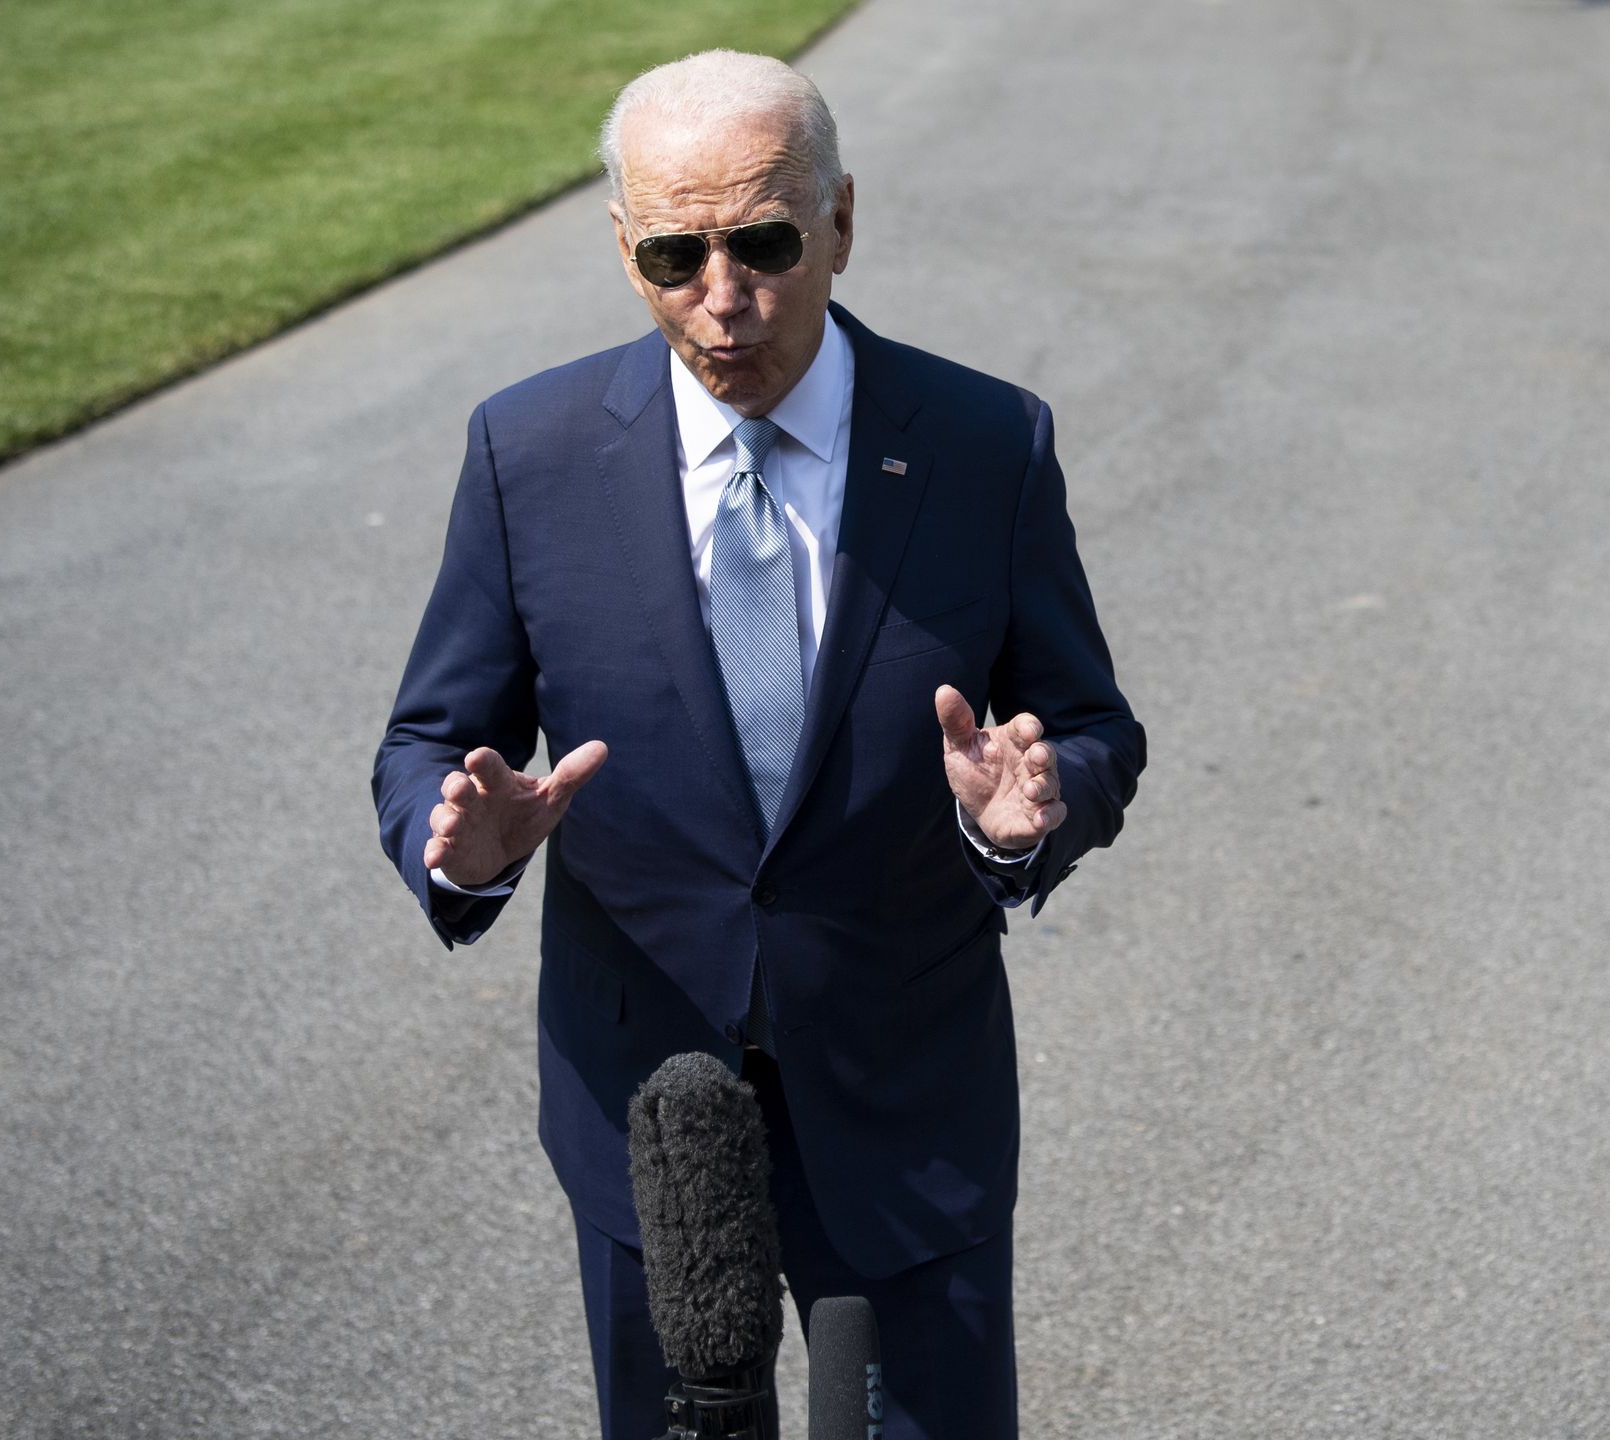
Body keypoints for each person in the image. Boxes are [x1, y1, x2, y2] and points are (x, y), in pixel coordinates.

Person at [373, 49, 1143, 1440]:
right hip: (654, 1124)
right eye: (674, 255)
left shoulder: (983, 445)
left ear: (843, 220)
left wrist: (1029, 818)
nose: (721, 300)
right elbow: (435, 734)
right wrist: (461, 840)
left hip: (910, 1103)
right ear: (625, 247)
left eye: (764, 244)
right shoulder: (527, 454)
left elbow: (1087, 724)